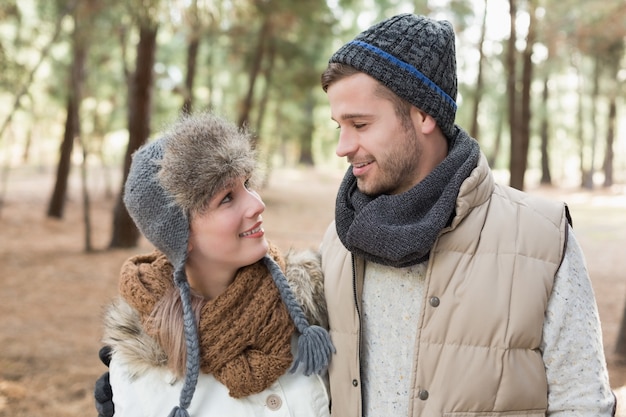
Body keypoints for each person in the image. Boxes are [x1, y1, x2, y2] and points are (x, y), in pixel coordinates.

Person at [318, 13, 615, 417]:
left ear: (424, 114)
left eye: (360, 124)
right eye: (339, 125)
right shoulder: (337, 240)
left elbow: (582, 403)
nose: (343, 146)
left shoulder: (542, 238)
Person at [95, 111, 333, 417]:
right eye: (227, 198)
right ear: (181, 236)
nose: (257, 204)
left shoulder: (312, 305)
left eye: (247, 184)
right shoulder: (141, 367)